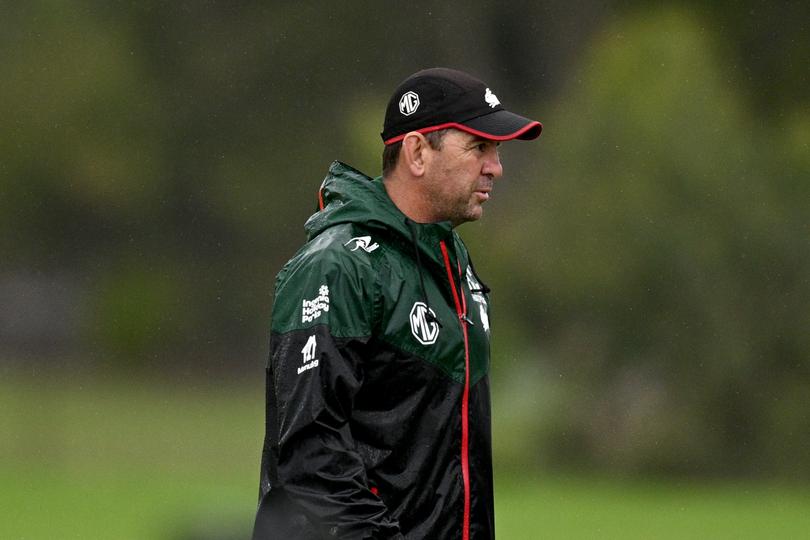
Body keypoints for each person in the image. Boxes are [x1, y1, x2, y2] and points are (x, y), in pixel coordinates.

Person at [252, 67, 542, 540]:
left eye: (497, 150)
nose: (496, 166)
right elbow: (311, 454)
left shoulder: (451, 260)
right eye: (478, 147)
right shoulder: (339, 267)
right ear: (417, 152)